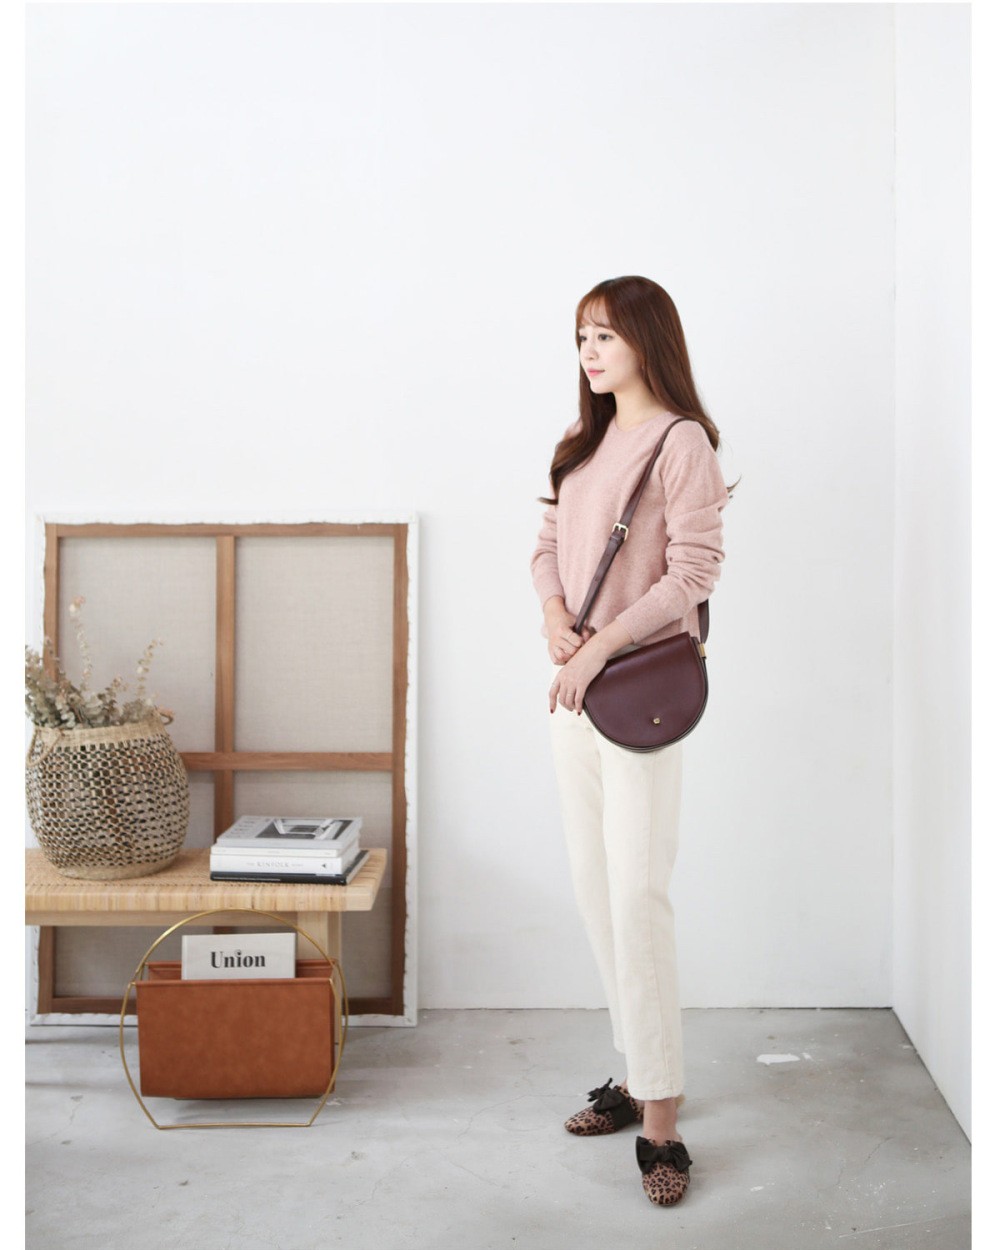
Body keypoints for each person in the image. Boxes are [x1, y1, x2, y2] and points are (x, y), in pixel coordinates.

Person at [530, 275, 729, 1207]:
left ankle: (661, 1118)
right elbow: (545, 546)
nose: (589, 351)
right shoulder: (584, 442)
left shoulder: (680, 443)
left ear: (649, 338)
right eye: (582, 336)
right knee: (595, 888)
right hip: (575, 694)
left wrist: (599, 644)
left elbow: (693, 573)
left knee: (638, 894)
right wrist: (554, 619)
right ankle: (636, 1067)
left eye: (605, 334)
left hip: (638, 694)